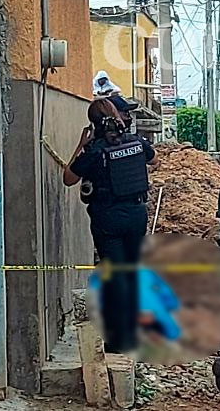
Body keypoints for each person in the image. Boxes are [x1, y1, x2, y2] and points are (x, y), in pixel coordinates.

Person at [64, 98, 157, 353]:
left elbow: (68, 178)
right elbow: (154, 159)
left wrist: (81, 146)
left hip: (108, 218)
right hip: (137, 214)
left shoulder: (94, 150)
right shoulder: (137, 142)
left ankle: (118, 339)